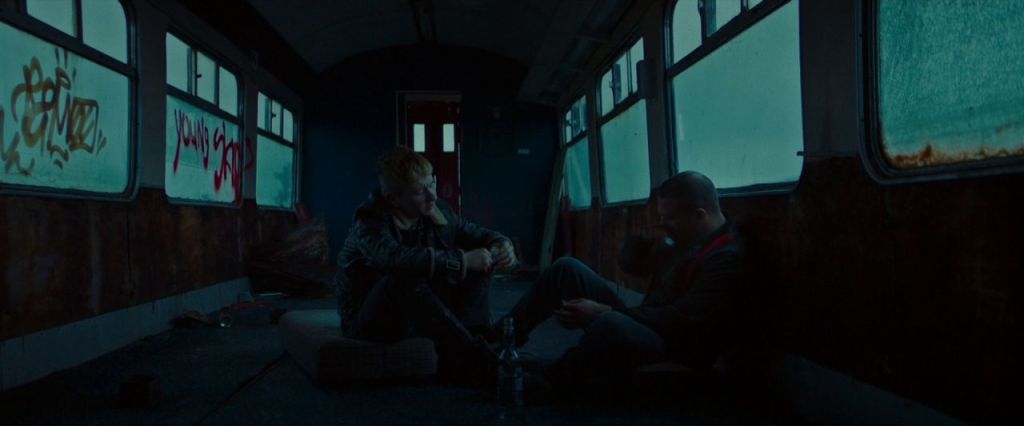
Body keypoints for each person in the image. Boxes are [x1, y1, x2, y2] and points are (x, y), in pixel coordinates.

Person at [501, 171, 746, 392]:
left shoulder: (726, 258)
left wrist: (604, 311)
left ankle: (550, 378)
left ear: (699, 215)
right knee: (567, 269)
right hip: (650, 320)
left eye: (670, 218)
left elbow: (679, 320)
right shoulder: (686, 239)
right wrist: (641, 240)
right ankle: (500, 342)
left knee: (612, 324)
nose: (665, 225)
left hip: (676, 344)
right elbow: (630, 266)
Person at [335, 146, 516, 379]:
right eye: (420, 191)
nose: (433, 195)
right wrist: (461, 261)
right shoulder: (369, 221)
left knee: (482, 258)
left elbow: (474, 233)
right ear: (392, 198)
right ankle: (477, 361)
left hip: (419, 308)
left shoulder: (435, 209)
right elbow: (395, 259)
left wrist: (501, 244)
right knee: (402, 278)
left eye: (432, 183)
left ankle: (476, 339)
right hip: (371, 319)